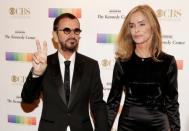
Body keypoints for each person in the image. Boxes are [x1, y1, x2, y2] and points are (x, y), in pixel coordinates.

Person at [21, 13, 108, 131]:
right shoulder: (43, 64)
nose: (72, 35)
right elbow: (28, 99)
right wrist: (37, 74)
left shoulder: (91, 66)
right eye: (67, 30)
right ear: (55, 35)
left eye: (76, 31)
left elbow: (98, 105)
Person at [106, 4, 180, 131]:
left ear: (153, 26)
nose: (136, 30)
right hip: (128, 125)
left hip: (159, 126)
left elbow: (172, 104)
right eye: (132, 25)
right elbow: (113, 103)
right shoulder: (123, 62)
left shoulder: (167, 62)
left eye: (141, 24)